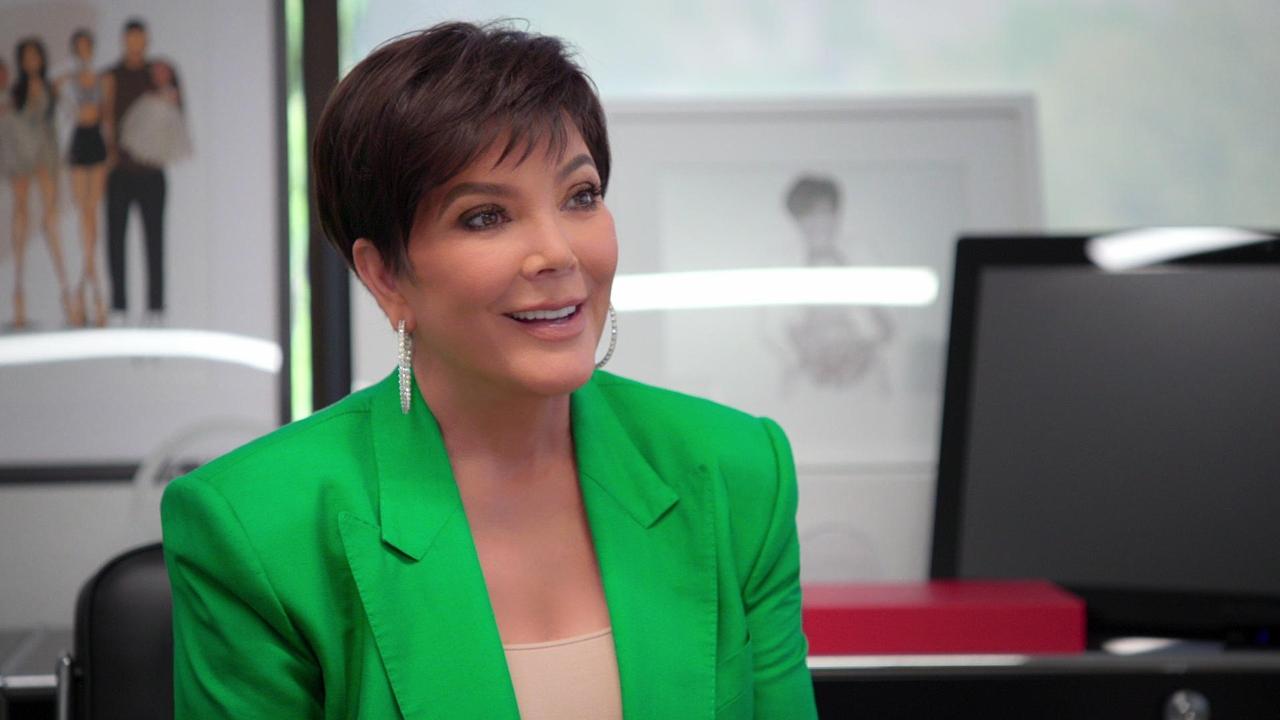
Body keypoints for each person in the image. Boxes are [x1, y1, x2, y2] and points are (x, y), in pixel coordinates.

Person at [161, 21, 817, 719]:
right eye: (485, 217)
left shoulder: (736, 472)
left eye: (580, 196)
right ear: (385, 276)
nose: (557, 253)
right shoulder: (256, 526)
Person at [104, 18, 175, 325]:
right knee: (115, 240)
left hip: (151, 171)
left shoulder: (157, 73)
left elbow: (174, 114)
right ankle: (118, 306)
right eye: (131, 39)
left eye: (140, 39)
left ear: (146, 41)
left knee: (154, 239)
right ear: (124, 40)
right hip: (120, 170)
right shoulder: (112, 76)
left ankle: (155, 308)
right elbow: (106, 116)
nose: (135, 44)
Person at [7, 37, 75, 329]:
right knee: (21, 214)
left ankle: (66, 293)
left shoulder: (50, 87)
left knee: (50, 217)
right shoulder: (17, 91)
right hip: (22, 151)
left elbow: (69, 112)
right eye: (26, 57)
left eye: (35, 55)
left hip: (46, 151)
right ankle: (18, 295)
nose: (31, 61)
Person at [58, 29, 110, 327]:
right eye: (79, 47)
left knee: (92, 213)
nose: (83, 51)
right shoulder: (69, 80)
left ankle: (89, 291)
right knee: (83, 213)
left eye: (86, 46)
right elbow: (66, 108)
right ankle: (91, 290)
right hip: (79, 139)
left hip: (96, 140)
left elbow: (106, 114)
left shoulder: (101, 79)